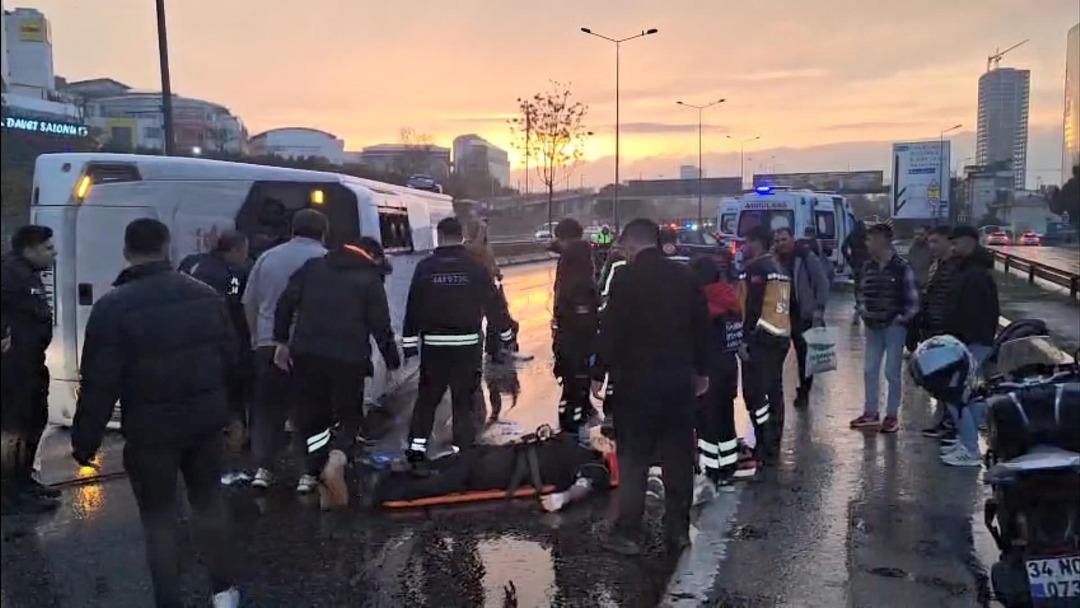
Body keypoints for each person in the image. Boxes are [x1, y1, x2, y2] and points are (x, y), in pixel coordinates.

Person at [71, 219, 239, 608]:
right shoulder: (206, 295)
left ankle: (169, 600)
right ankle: (225, 594)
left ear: (127, 251)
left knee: (160, 518)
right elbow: (232, 362)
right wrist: (233, 415)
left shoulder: (112, 306)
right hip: (205, 424)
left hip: (151, 432)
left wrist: (86, 441)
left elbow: (98, 381)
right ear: (167, 247)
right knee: (209, 504)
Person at [590, 218, 710, 556]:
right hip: (678, 383)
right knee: (678, 458)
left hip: (636, 385)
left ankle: (628, 532)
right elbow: (702, 326)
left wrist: (600, 372)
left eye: (625, 249)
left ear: (630, 245)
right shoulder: (685, 276)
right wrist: (702, 372)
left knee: (634, 460)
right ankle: (678, 532)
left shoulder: (626, 279)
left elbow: (612, 328)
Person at [272, 237, 401, 507]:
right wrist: (392, 363)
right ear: (372, 256)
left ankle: (314, 471)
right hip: (349, 359)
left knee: (313, 417)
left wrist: (281, 342)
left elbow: (284, 304)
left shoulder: (312, 267)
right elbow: (381, 326)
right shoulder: (369, 278)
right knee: (349, 415)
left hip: (306, 354)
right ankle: (337, 459)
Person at [403, 217, 514, 461]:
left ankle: (416, 449)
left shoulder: (425, 268)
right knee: (463, 401)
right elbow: (494, 304)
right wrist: (506, 334)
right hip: (467, 346)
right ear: (461, 235)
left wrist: (410, 345)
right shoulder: (475, 268)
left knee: (427, 400)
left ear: (439, 236)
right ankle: (462, 452)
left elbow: (413, 307)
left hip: (434, 346)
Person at [241, 209, 328, 491]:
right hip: (311, 349)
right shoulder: (326, 260)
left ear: (293, 229)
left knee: (267, 410)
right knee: (310, 411)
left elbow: (249, 302)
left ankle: (263, 470)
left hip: (267, 345)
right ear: (323, 232)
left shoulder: (268, 257)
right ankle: (308, 473)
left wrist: (257, 337)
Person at [1, 225, 60, 514]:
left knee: (32, 423)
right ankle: (9, 494)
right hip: (12, 369)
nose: (54, 252)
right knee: (13, 431)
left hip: (30, 364)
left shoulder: (27, 275)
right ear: (30, 249)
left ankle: (23, 482)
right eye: (48, 248)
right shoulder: (10, 274)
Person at [178, 230, 252, 447]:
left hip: (184, 343)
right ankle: (231, 442)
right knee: (229, 397)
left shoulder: (190, 263)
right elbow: (235, 307)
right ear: (235, 250)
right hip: (215, 345)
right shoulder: (231, 274)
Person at [849, 223, 919, 433]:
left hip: (894, 327)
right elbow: (861, 290)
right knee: (870, 370)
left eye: (870, 239)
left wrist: (902, 318)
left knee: (892, 372)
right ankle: (871, 412)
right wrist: (862, 309)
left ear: (882, 240)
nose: (867, 244)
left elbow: (913, 300)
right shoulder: (868, 266)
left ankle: (891, 415)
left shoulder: (901, 267)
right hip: (872, 326)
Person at [939, 225, 1000, 466]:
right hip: (967, 341)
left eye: (957, 242)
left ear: (971, 242)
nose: (953, 247)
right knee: (967, 397)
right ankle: (966, 441)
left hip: (972, 342)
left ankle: (970, 449)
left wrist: (962, 341)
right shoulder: (967, 269)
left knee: (957, 395)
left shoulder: (976, 274)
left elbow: (977, 312)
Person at [737, 225, 791, 464]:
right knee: (774, 392)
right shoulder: (780, 267)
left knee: (756, 395)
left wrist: (744, 339)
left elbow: (752, 307)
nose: (743, 247)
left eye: (746, 242)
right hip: (780, 336)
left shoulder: (756, 269)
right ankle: (773, 442)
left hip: (760, 339)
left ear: (756, 242)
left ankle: (764, 443)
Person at [689, 255, 741, 493]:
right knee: (725, 419)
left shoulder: (706, 305)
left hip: (709, 372)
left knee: (707, 424)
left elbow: (698, 343)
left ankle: (711, 471)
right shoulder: (730, 299)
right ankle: (728, 470)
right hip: (730, 369)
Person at [773, 227, 829, 409]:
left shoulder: (805, 257)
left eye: (783, 239)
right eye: (777, 240)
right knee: (776, 355)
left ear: (792, 239)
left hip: (802, 314)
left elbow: (821, 282)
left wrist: (819, 308)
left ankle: (804, 391)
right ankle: (775, 392)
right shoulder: (773, 260)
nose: (780, 243)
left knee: (804, 356)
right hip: (780, 314)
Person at [551, 227, 598, 431]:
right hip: (577, 339)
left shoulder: (572, 268)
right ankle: (577, 419)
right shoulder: (581, 264)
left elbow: (576, 310)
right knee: (577, 384)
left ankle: (573, 423)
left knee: (572, 384)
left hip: (572, 338)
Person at [919, 225, 960, 439]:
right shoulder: (938, 265)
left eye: (935, 241)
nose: (931, 246)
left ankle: (951, 426)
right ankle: (943, 422)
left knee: (950, 383)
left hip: (949, 332)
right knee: (941, 381)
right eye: (929, 242)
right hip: (935, 331)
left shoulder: (954, 267)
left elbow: (949, 301)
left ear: (947, 241)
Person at [841, 218, 869, 324]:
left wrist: (849, 259)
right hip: (867, 264)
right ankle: (863, 310)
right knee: (867, 287)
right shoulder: (867, 236)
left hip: (855, 264)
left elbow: (843, 248)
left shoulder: (852, 235)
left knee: (857, 287)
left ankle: (858, 307)